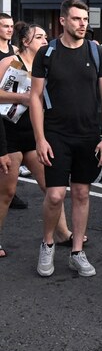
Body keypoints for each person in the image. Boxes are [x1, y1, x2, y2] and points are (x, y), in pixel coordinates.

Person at [30, 0, 102, 277]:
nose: (83, 24)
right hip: (56, 134)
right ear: (63, 21)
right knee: (55, 195)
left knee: (81, 192)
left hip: (88, 134)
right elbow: (35, 97)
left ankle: (77, 251)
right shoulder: (47, 53)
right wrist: (40, 138)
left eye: (84, 19)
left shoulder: (96, 51)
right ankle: (48, 244)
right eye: (77, 19)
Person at [0, 22, 83, 258]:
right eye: (39, 37)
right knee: (6, 191)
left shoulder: (46, 65)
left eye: (46, 37)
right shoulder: (9, 62)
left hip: (36, 135)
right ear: (26, 42)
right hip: (9, 135)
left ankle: (63, 233)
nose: (45, 41)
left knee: (52, 187)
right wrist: (23, 97)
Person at [0, 12, 29, 211]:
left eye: (11, 26)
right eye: (5, 26)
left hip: (12, 109)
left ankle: (11, 193)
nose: (9, 29)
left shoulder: (15, 50)